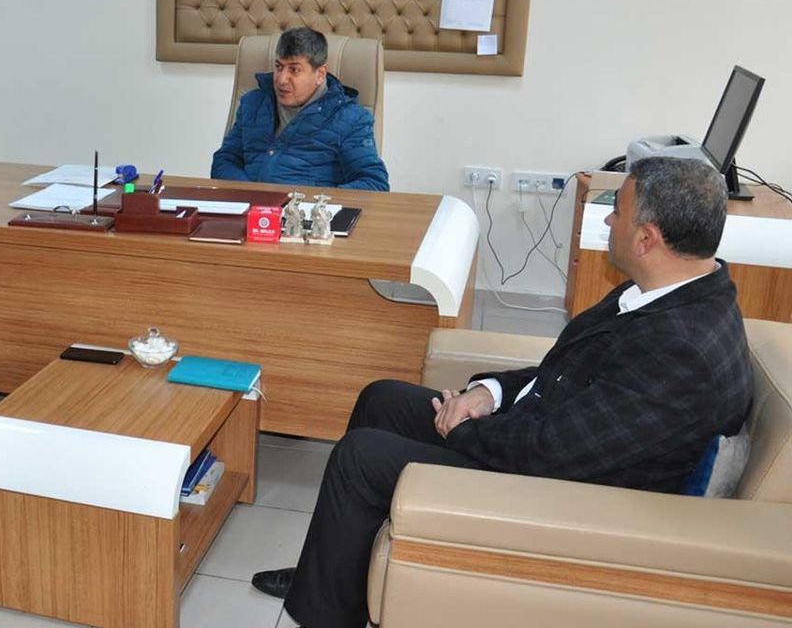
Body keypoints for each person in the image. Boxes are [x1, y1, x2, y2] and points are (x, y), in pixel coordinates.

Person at [250, 156, 752, 627]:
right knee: (381, 398)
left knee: (361, 458)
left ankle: (326, 615)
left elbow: (557, 454)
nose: (607, 221)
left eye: (616, 211)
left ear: (646, 238)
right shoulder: (665, 292)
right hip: (545, 437)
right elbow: (564, 370)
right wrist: (489, 393)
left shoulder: (680, 349)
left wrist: (465, 430)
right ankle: (334, 578)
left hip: (561, 494)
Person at [210, 27, 389, 191]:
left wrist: (316, 203)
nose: (281, 80)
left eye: (294, 70)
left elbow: (374, 183)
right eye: (279, 67)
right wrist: (250, 194)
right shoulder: (253, 104)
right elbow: (224, 160)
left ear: (320, 75)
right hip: (250, 210)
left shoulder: (350, 119)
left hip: (304, 214)